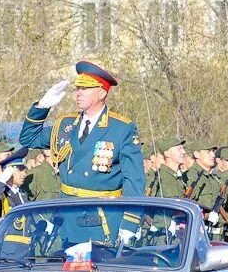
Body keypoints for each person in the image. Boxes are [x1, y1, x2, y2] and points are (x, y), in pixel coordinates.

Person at [19, 61, 145, 198]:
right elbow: (28, 138)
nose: (79, 93)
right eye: (78, 88)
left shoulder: (121, 128)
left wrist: (131, 218)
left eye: (85, 89)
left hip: (102, 211)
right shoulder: (66, 125)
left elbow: (134, 180)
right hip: (67, 211)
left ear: (102, 93)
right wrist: (42, 106)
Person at [0, 148, 31, 260]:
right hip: (7, 253)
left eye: (24, 170)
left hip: (25, 251)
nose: (24, 174)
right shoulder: (1, 193)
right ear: (9, 171)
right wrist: (0, 182)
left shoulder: (22, 194)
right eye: (19, 170)